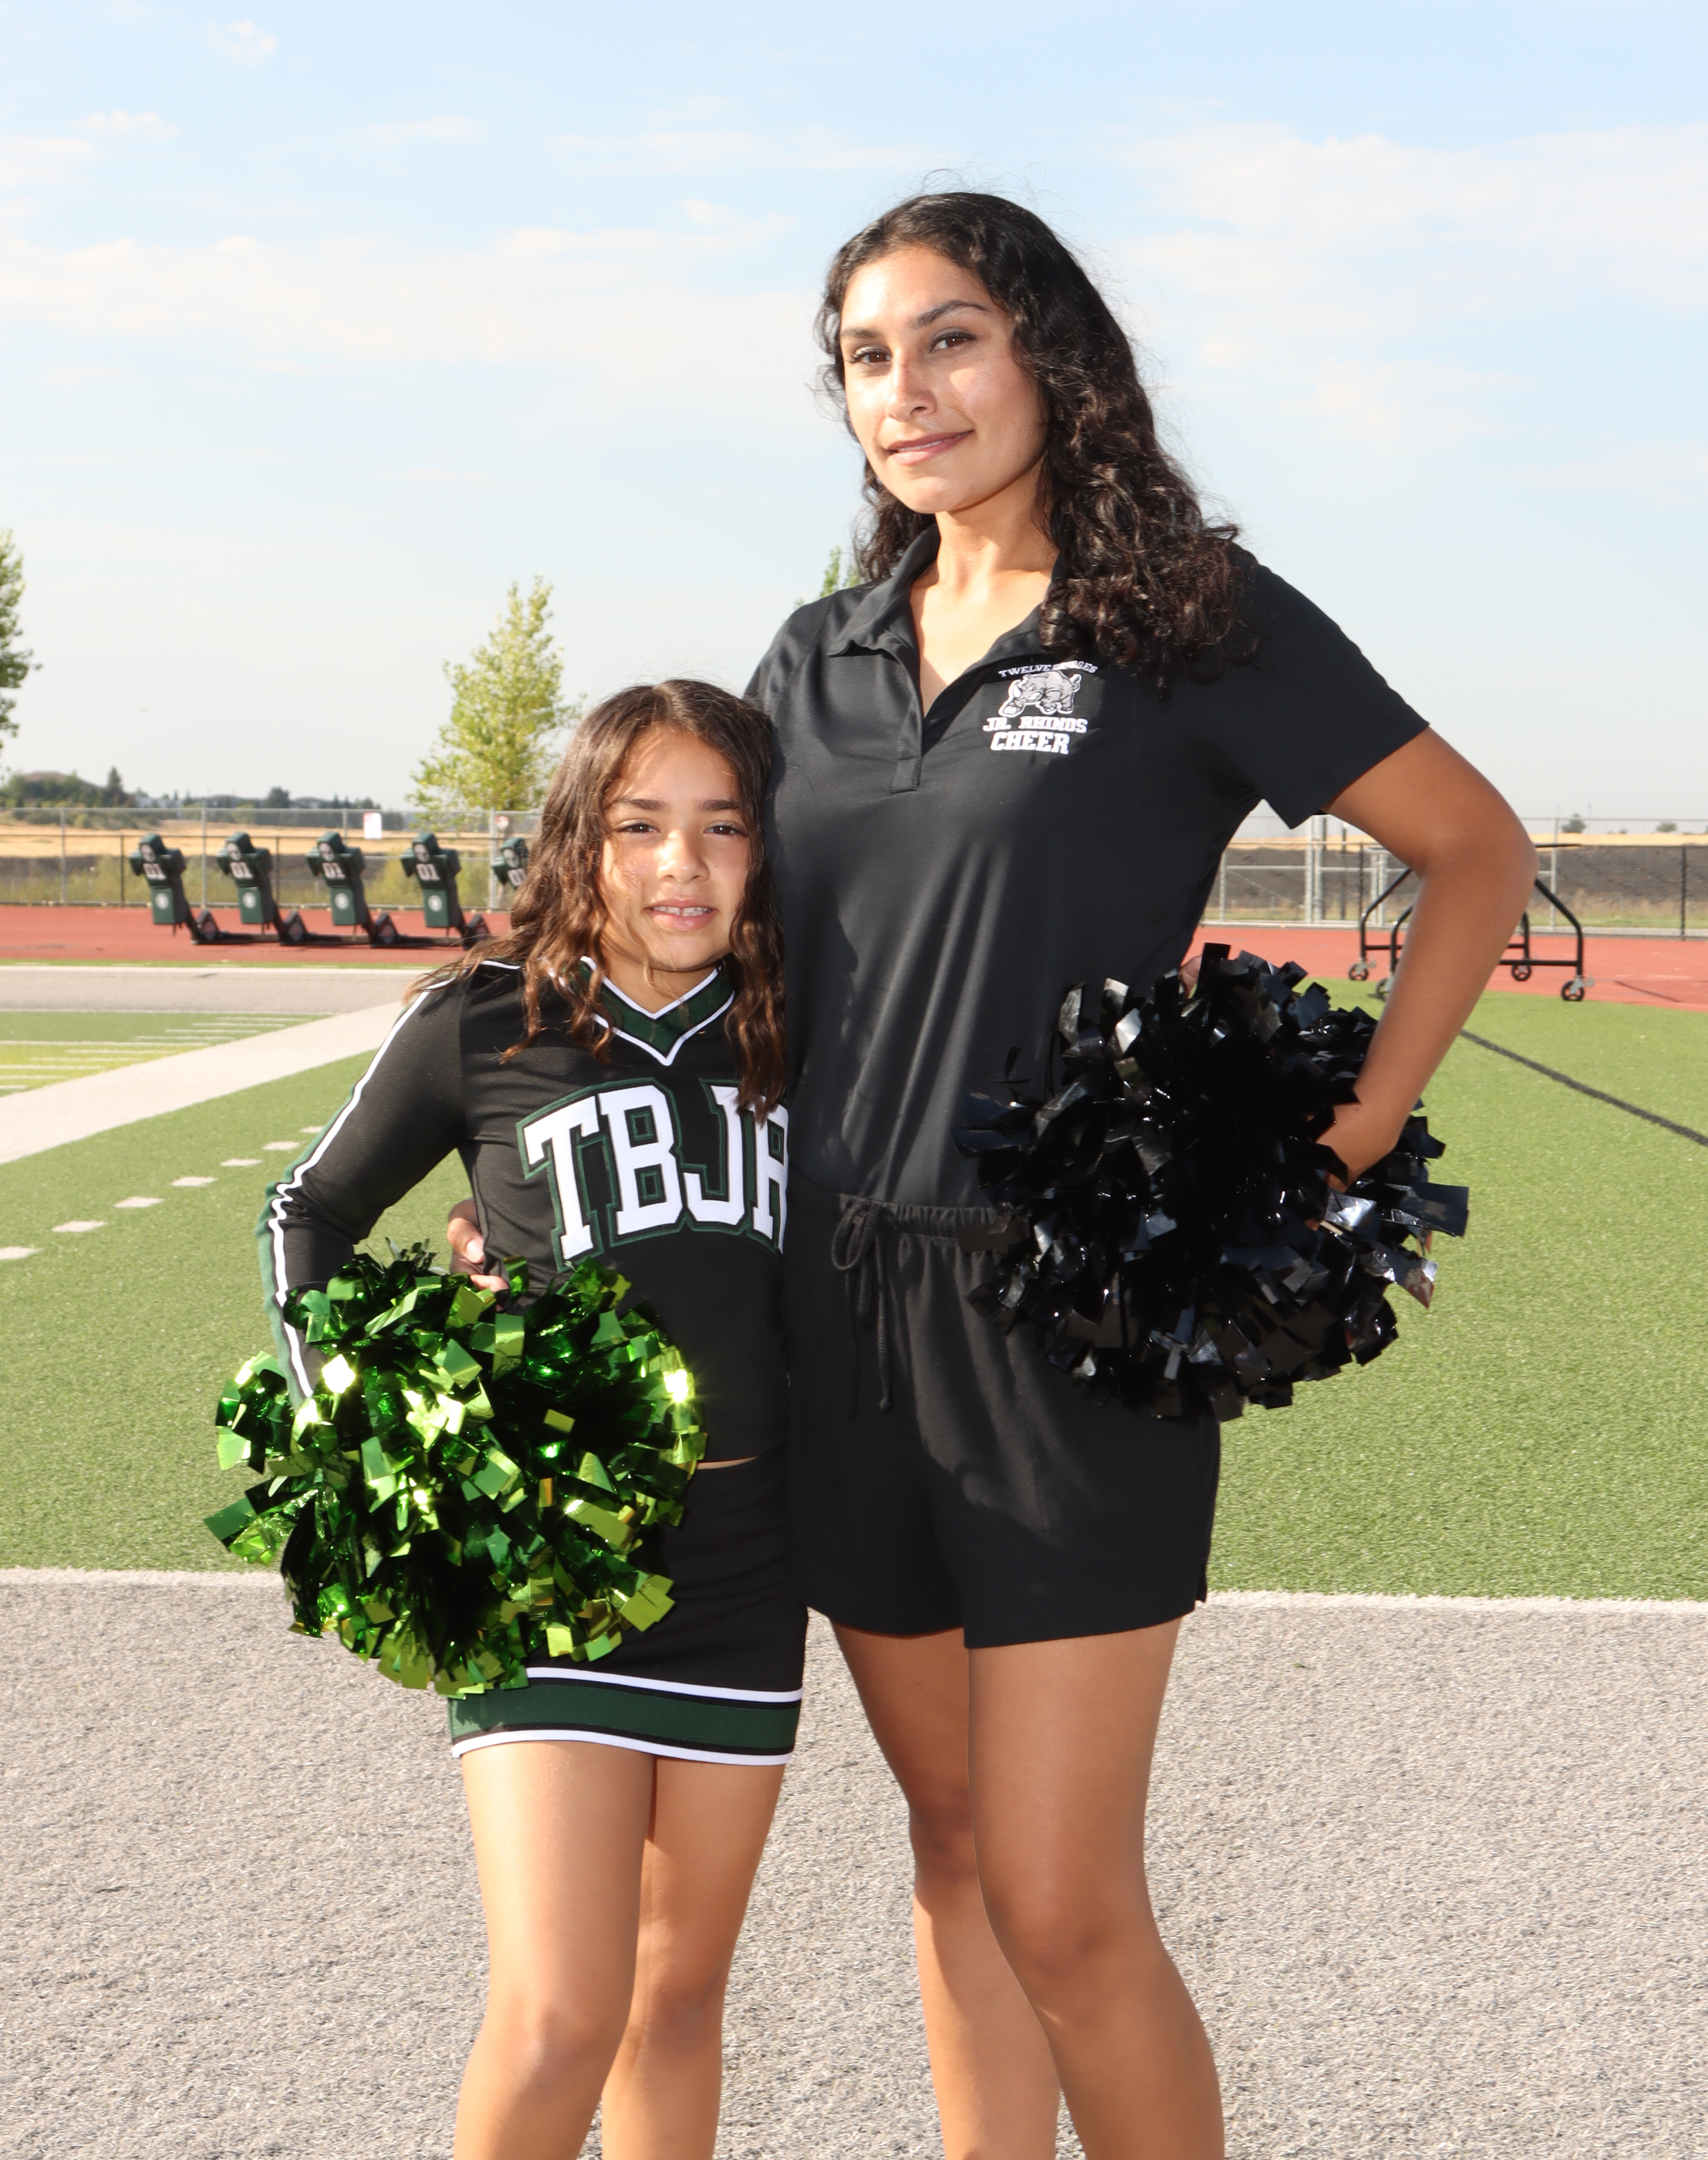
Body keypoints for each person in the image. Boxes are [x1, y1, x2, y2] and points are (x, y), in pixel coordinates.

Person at [746, 194, 1536, 2160]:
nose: (908, 390)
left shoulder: (1185, 615)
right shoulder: (815, 655)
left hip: (1061, 1325)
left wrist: (1352, 1133)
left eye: (952, 338)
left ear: (1051, 356)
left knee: (1067, 1902)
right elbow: (724, 972)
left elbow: (1476, 846)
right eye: (867, 357)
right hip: (832, 1306)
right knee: (948, 1846)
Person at [269, 680, 804, 2160]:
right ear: (580, 838)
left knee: (675, 1999)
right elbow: (308, 1210)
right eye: (639, 826)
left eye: (722, 827)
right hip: (549, 1566)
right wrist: (362, 1419)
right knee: (562, 2010)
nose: (681, 864)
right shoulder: (486, 1018)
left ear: (766, 850)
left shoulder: (799, 1021)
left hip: (746, 1566)